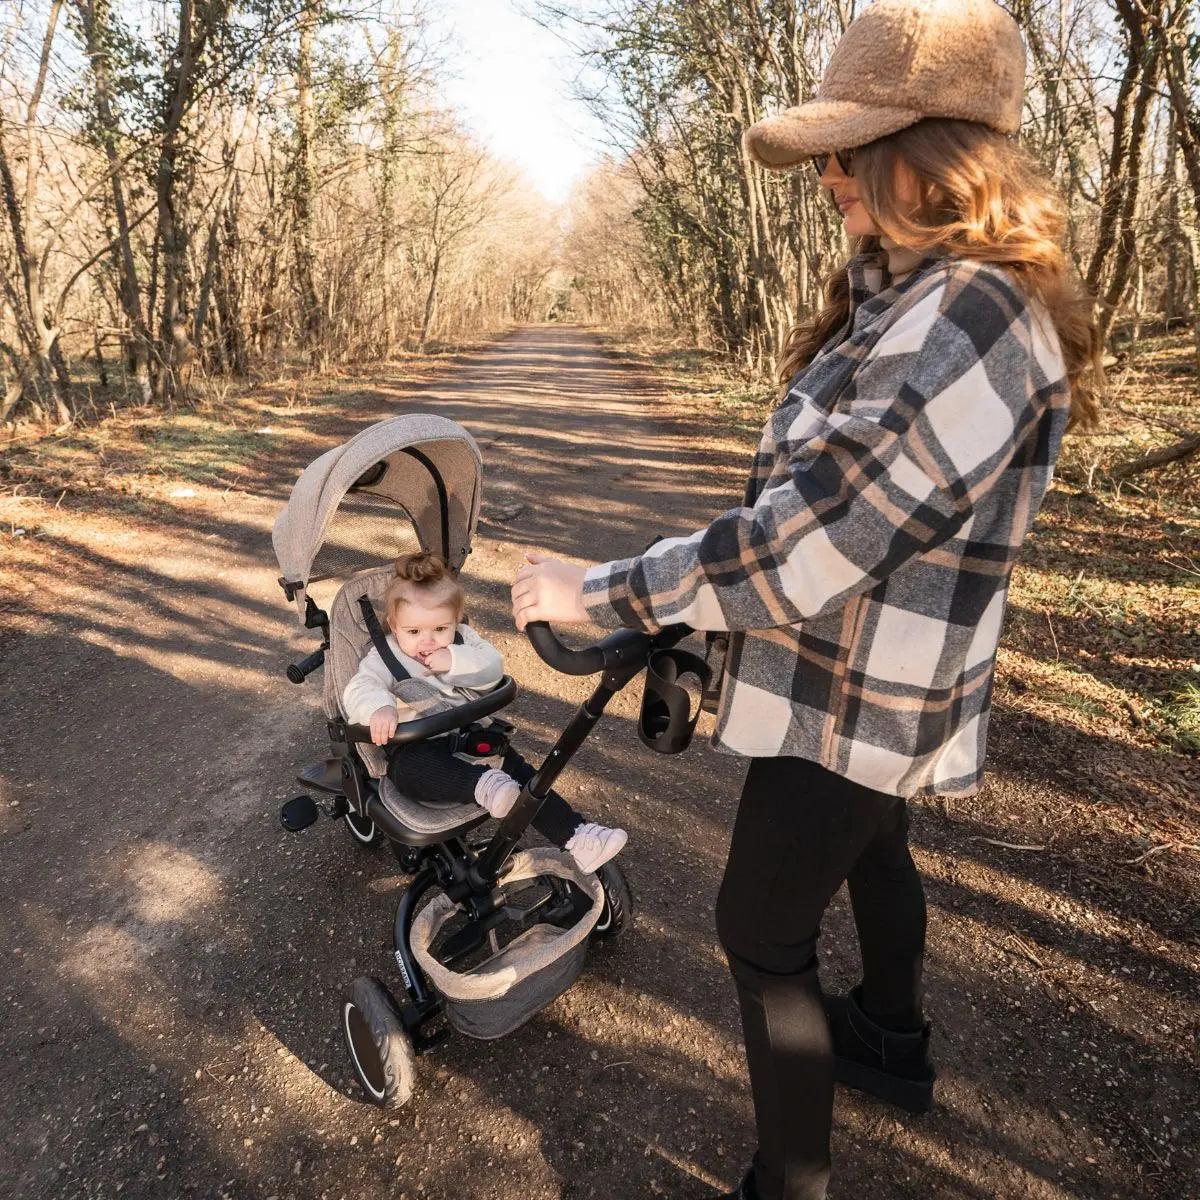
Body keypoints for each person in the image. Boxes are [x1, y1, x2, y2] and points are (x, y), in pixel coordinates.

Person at [509, 1, 1101, 1196]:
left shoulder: (973, 314)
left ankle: (791, 1179)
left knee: (758, 930)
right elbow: (818, 507)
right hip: (863, 682)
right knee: (877, 844)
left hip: (857, 691)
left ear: (932, 154)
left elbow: (813, 545)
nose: (828, 172)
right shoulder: (909, 295)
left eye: (849, 146)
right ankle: (888, 1040)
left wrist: (608, 592)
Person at [343, 551, 627, 875]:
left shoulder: (463, 643)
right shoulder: (385, 656)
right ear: (394, 626)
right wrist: (379, 707)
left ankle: (578, 835)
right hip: (417, 746)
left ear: (456, 619)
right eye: (413, 632)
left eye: (440, 628)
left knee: (524, 774)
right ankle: (485, 786)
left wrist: (455, 661)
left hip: (468, 737)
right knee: (408, 768)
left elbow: (493, 668)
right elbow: (360, 688)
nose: (428, 641)